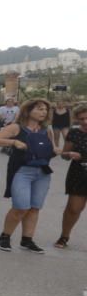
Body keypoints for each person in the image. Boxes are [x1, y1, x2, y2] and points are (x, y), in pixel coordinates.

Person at [0, 99, 59, 254]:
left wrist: (57, 151)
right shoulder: (16, 128)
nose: (43, 112)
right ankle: (5, 236)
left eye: (45, 110)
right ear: (28, 111)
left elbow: (52, 149)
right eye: (40, 109)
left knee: (35, 207)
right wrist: (14, 142)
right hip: (22, 171)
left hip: (42, 172)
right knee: (21, 207)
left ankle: (27, 240)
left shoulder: (46, 130)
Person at [55, 104, 87, 249]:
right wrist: (68, 154)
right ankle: (64, 236)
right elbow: (64, 155)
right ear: (77, 120)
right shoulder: (74, 133)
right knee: (73, 209)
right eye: (82, 119)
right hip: (78, 174)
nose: (85, 121)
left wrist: (83, 156)